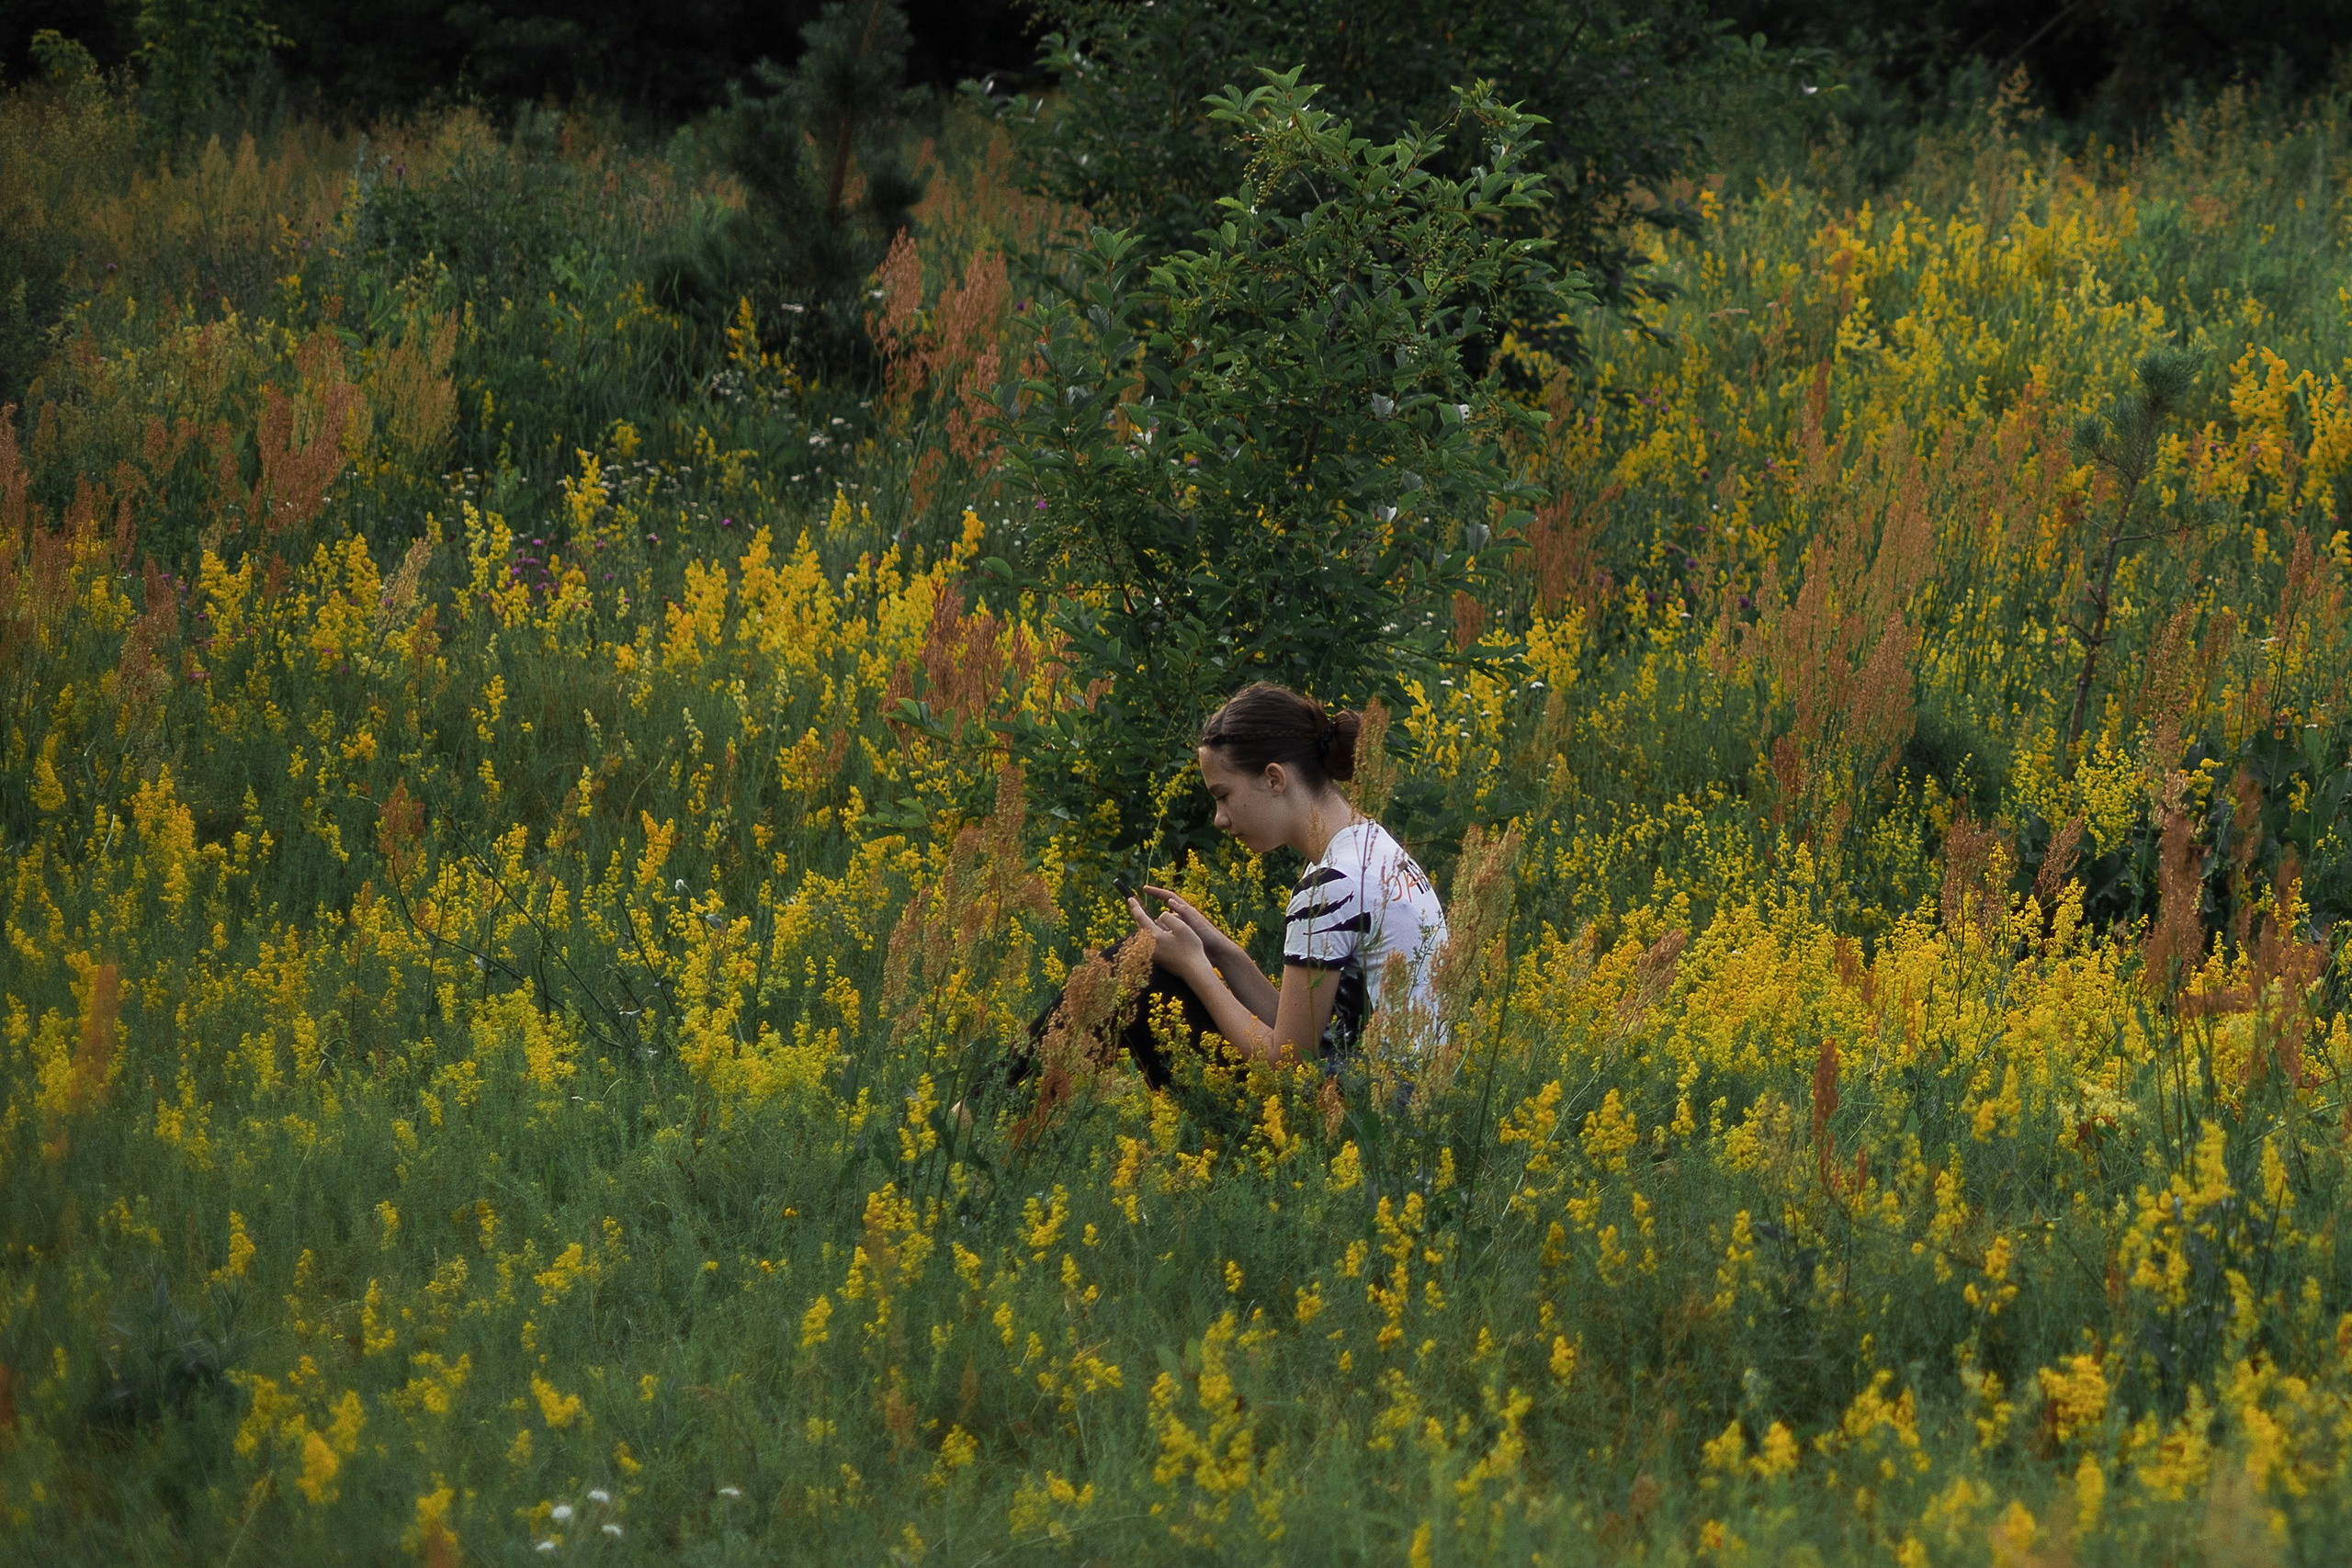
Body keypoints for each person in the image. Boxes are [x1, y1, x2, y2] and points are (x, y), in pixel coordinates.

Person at [1102, 682, 1448, 1080]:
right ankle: (1020, 1087)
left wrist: (1194, 964)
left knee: (1137, 971)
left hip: (1354, 1121)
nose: (1220, 818)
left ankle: (1020, 1091)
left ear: (1274, 779)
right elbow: (1306, 1035)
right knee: (1142, 965)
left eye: (1223, 795)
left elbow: (1288, 1061)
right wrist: (1221, 952)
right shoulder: (1375, 849)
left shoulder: (1330, 885)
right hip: (1406, 1105)